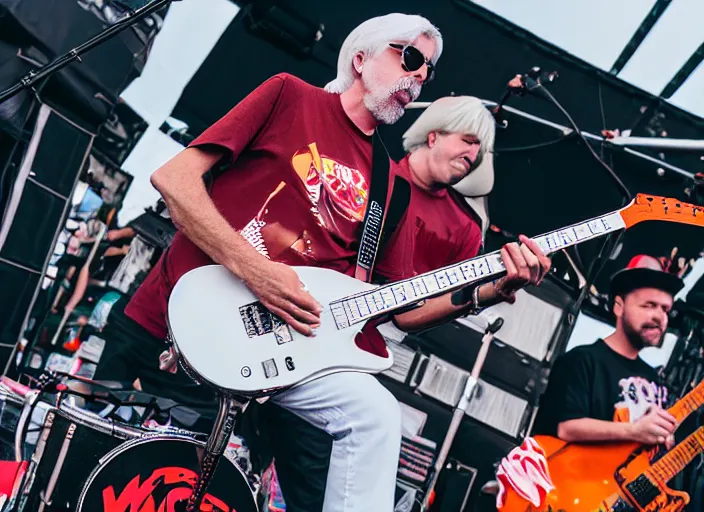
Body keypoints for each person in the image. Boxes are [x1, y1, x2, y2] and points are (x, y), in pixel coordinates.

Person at [95, 14, 549, 512]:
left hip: (269, 352)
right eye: (410, 58)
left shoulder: (388, 184)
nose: (419, 76)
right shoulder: (289, 96)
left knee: (375, 414)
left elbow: (401, 311)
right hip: (169, 324)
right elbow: (176, 180)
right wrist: (258, 272)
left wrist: (488, 290)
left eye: (428, 71)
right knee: (103, 481)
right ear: (361, 58)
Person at [260, 94, 552, 510]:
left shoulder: (466, 229)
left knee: (313, 487)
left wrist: (490, 292)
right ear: (433, 135)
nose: (473, 155)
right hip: (286, 319)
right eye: (468, 140)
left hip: (349, 355)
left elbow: (412, 316)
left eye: (480, 151)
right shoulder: (371, 173)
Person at [532, 254, 682, 448]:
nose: (660, 317)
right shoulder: (581, 360)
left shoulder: (653, 378)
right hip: (575, 476)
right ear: (619, 307)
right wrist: (634, 431)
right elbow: (566, 427)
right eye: (649, 305)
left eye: (665, 310)